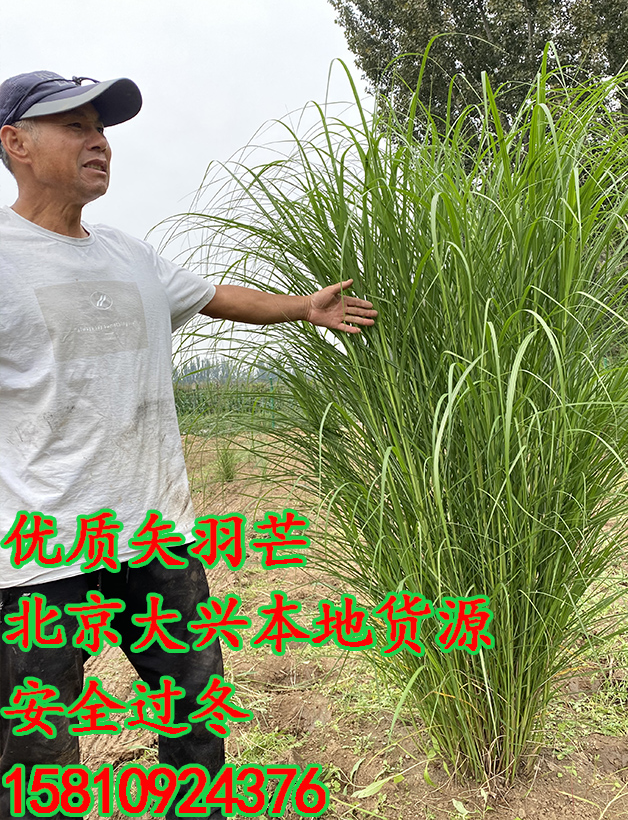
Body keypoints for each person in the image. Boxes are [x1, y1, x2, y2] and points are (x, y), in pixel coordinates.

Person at [0, 71, 377, 818]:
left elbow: (212, 296)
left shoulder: (130, 254)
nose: (99, 142)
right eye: (74, 126)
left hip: (156, 537)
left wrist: (303, 307)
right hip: (40, 551)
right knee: (39, 753)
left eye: (100, 128)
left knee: (198, 724)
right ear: (14, 143)